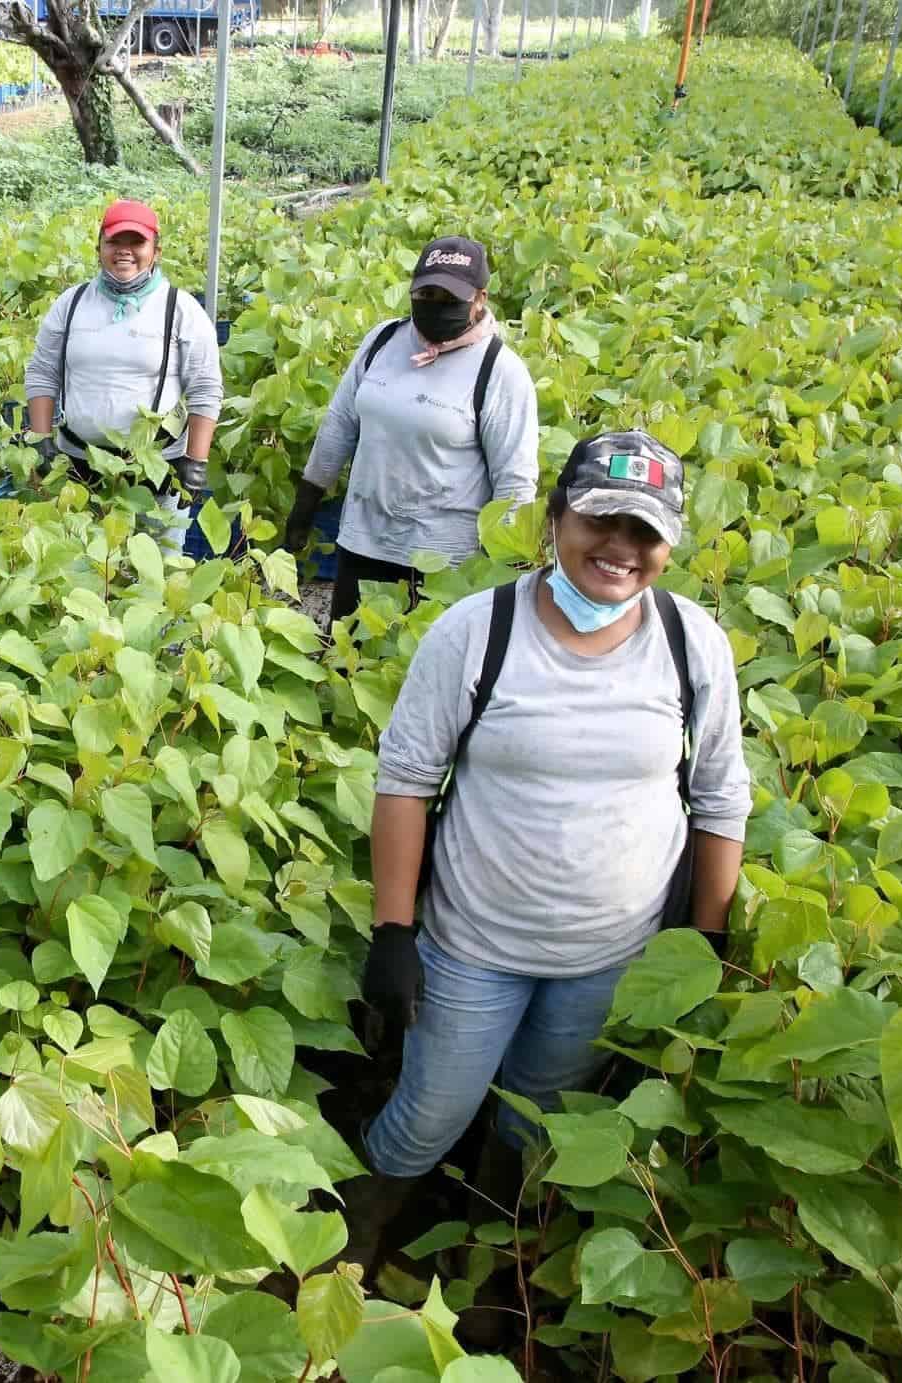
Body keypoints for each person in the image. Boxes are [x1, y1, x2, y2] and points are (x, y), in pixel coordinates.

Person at [342, 431, 749, 1322]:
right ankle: (352, 1248)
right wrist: (393, 932)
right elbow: (407, 779)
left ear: (671, 547)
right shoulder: (477, 631)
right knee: (427, 1114)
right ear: (555, 520)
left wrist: (707, 947)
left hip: (612, 957)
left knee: (538, 1127)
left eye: (644, 533)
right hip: (472, 946)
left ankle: (491, 1264)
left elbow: (721, 796)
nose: (621, 549)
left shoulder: (692, 644)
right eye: (600, 520)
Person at [283, 236, 540, 628]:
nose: (435, 304)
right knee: (350, 665)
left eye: (449, 297)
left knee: (422, 671)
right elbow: (339, 425)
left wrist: (509, 575)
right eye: (426, 293)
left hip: (443, 559)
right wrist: (305, 507)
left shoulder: (499, 370)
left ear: (479, 298)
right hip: (363, 539)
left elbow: (515, 482)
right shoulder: (384, 340)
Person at [22, 199, 222, 550]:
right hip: (79, 464)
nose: (124, 251)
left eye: (136, 243)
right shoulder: (72, 303)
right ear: (99, 247)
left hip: (154, 469)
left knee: (150, 577)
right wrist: (41, 443)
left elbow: (205, 387)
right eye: (114, 242)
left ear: (155, 251)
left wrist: (196, 462)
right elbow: (42, 372)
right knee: (82, 568)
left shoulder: (180, 308)